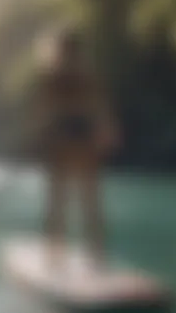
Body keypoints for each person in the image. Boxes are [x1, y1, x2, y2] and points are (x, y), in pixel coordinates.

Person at [26, 24, 120, 271]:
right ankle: (84, 255)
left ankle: (72, 255)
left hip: (73, 143)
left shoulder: (62, 77)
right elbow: (99, 111)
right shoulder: (64, 77)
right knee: (76, 202)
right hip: (72, 143)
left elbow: (98, 110)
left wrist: (104, 130)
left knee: (70, 202)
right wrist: (105, 131)